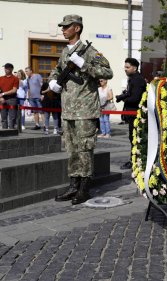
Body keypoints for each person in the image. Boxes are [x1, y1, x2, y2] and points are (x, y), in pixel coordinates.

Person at [49, 14, 113, 204]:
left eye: (67, 26)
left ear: (77, 28)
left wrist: (84, 65)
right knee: (72, 149)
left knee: (85, 149)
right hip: (68, 109)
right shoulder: (64, 52)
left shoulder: (90, 52)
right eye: (63, 27)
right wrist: (52, 80)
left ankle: (84, 189)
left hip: (85, 109)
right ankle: (73, 186)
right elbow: (58, 70)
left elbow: (108, 72)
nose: (63, 29)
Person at [117, 57, 146, 170]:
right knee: (132, 138)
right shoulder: (133, 78)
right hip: (132, 114)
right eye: (125, 67)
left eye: (127, 67)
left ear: (134, 68)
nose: (125, 69)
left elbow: (135, 98)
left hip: (135, 114)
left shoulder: (137, 79)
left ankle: (134, 161)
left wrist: (124, 98)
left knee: (134, 138)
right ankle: (134, 159)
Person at [0, 63, 19, 129]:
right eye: (5, 68)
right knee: (3, 118)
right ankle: (4, 133)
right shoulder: (1, 78)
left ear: (11, 69)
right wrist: (1, 97)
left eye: (7, 68)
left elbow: (14, 90)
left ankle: (12, 133)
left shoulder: (15, 78)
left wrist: (3, 94)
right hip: (2, 100)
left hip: (12, 99)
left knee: (12, 118)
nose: (5, 69)